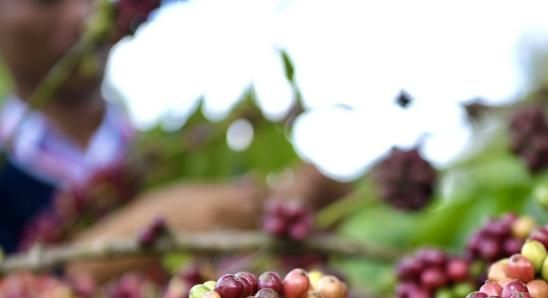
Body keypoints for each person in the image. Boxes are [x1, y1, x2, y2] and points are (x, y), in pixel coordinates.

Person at [0, 0, 343, 265]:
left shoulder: (172, 151)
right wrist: (115, 250)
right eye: (47, 1)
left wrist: (306, 200)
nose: (82, 16)